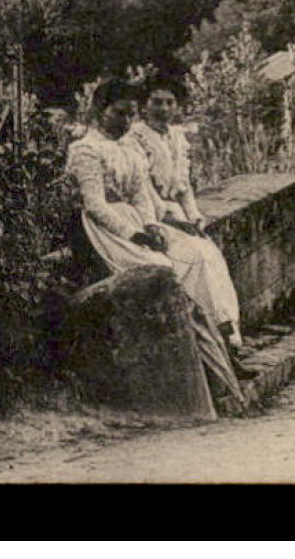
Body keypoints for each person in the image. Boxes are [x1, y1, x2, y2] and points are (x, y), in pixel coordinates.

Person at [66, 78, 251, 402]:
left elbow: (140, 194)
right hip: (106, 229)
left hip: (137, 220)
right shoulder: (85, 149)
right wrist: (133, 234)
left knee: (195, 257)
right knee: (164, 271)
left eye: (130, 115)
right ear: (98, 111)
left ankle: (225, 346)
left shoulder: (129, 148)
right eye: (118, 113)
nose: (125, 121)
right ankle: (209, 365)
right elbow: (94, 205)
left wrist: (150, 225)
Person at [127, 76, 246, 357]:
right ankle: (206, 341)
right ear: (144, 106)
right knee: (195, 259)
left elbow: (184, 185)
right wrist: (171, 220)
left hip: (178, 214)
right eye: (156, 102)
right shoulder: (136, 138)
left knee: (214, 257)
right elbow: (143, 187)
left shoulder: (176, 137)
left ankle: (229, 337)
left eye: (170, 103)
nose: (164, 108)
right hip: (151, 216)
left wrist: (194, 217)